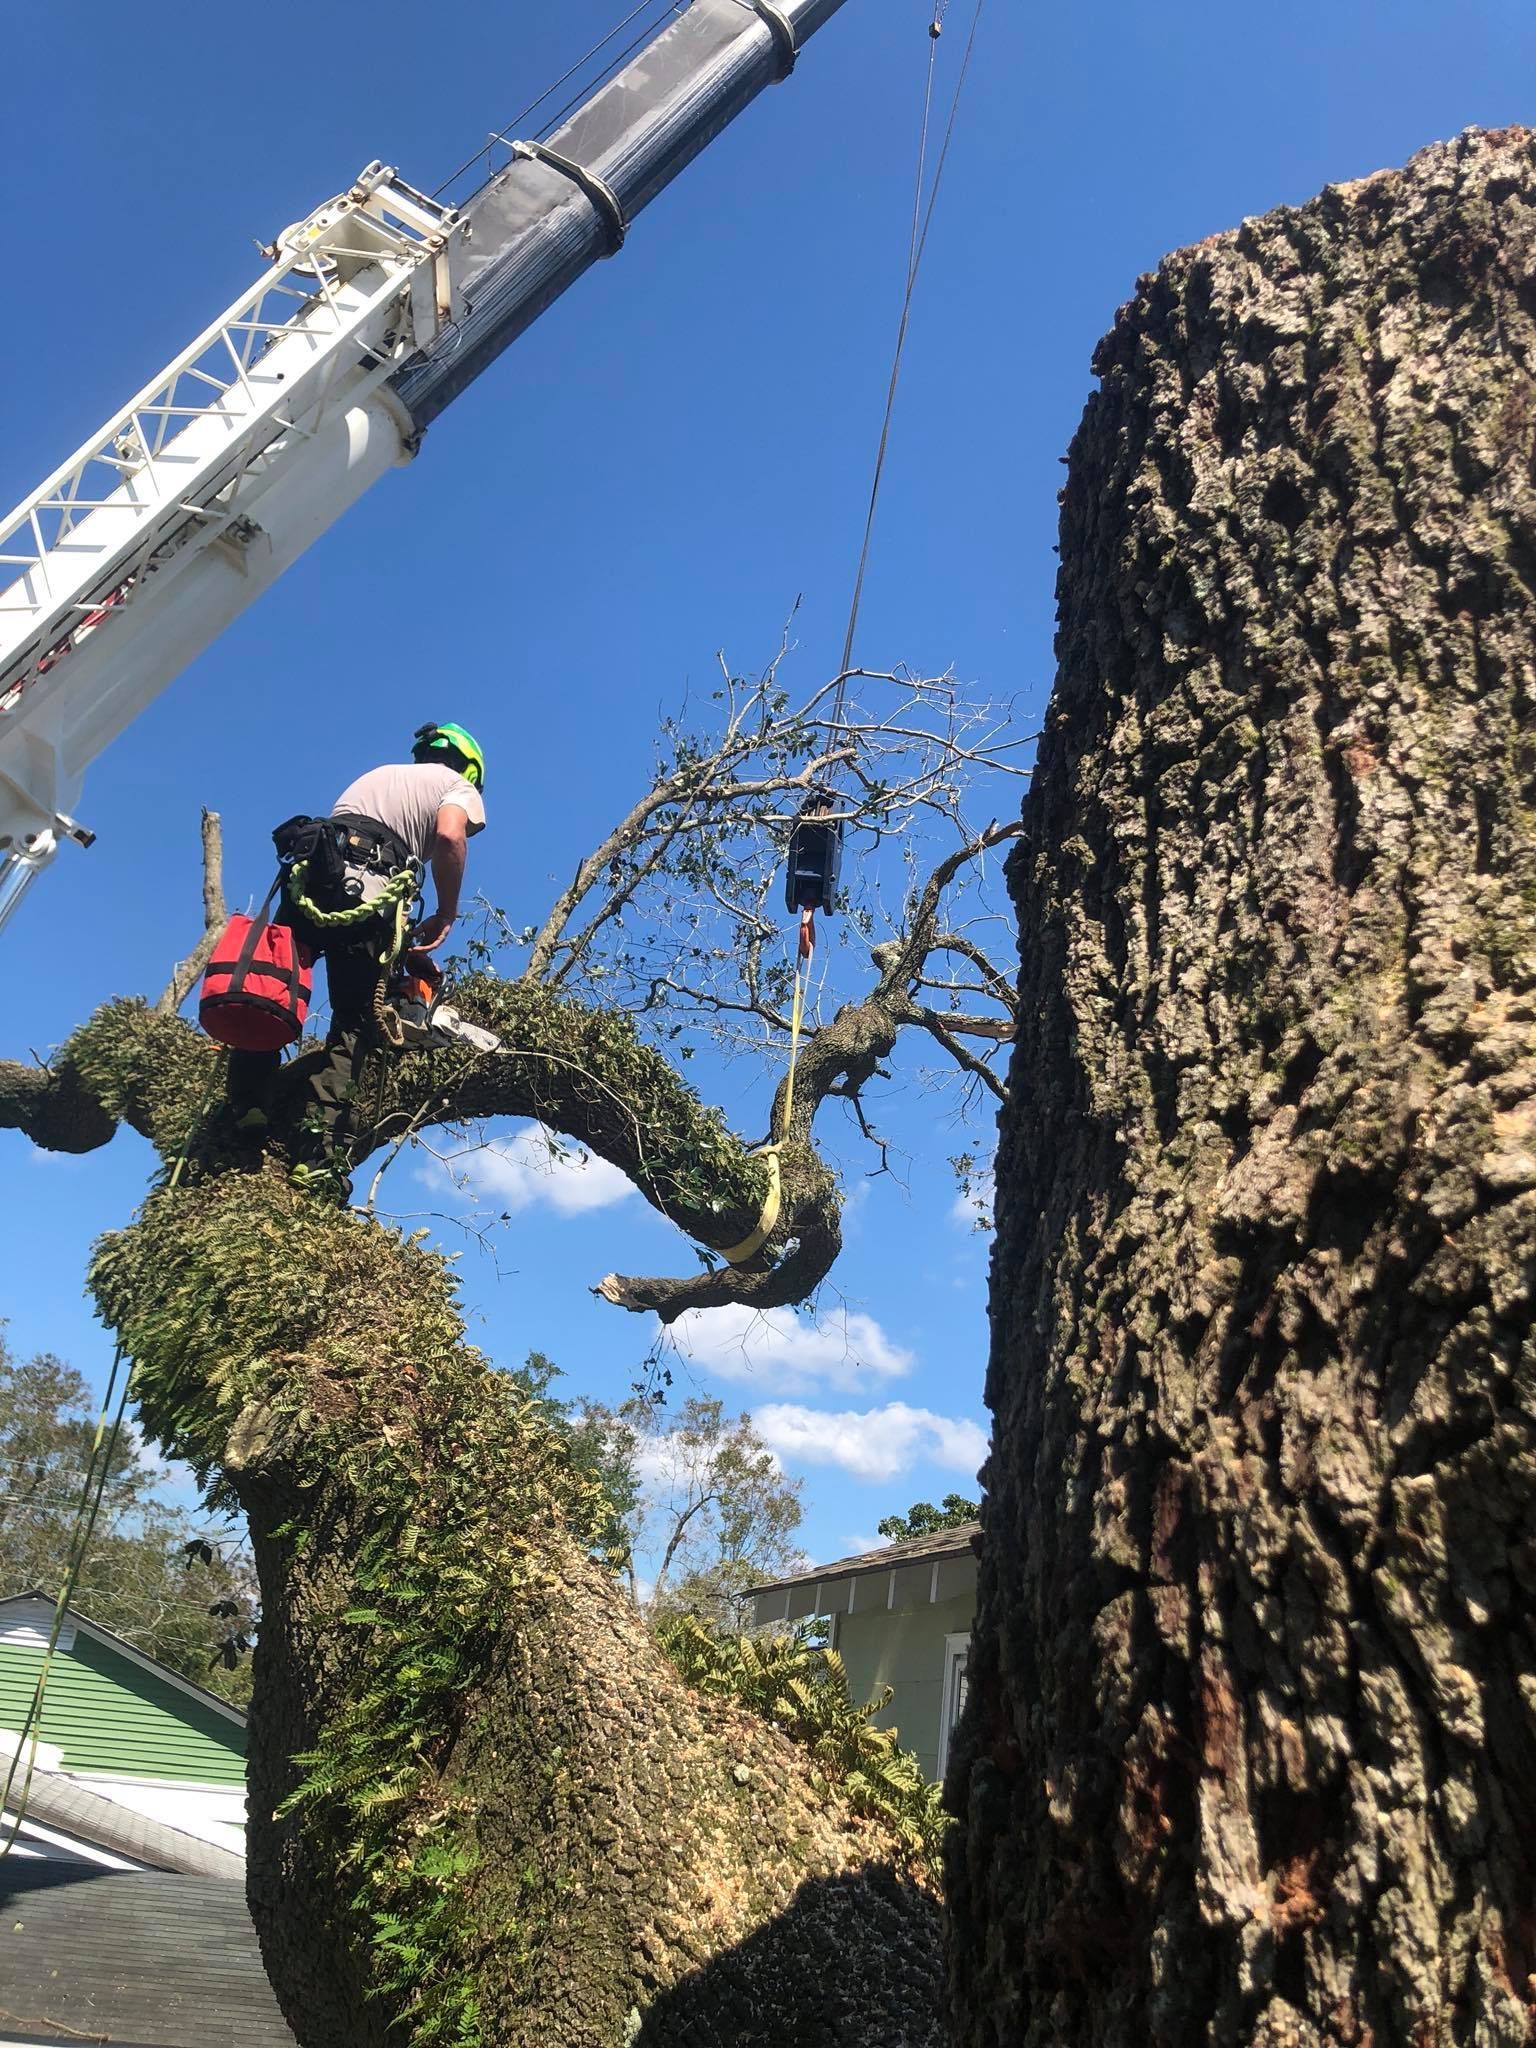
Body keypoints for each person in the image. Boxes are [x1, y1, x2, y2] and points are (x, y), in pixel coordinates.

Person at [227, 722, 487, 1192]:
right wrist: (446, 912)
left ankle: (246, 1105)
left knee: (274, 985)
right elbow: (450, 836)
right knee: (353, 1022)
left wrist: (403, 955)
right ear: (469, 767)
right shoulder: (457, 786)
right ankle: (317, 1155)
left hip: (314, 875)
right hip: (369, 887)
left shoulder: (379, 776)